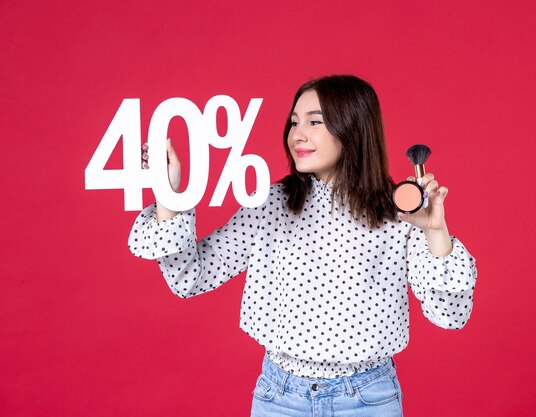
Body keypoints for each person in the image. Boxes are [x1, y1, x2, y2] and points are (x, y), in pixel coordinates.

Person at [129, 75, 477, 417]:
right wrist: (168, 193)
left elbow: (450, 316)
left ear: (352, 129)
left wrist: (435, 230)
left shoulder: (398, 213)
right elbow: (190, 277)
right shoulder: (270, 204)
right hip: (279, 398)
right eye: (294, 122)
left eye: (314, 122)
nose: (298, 134)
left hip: (368, 400)